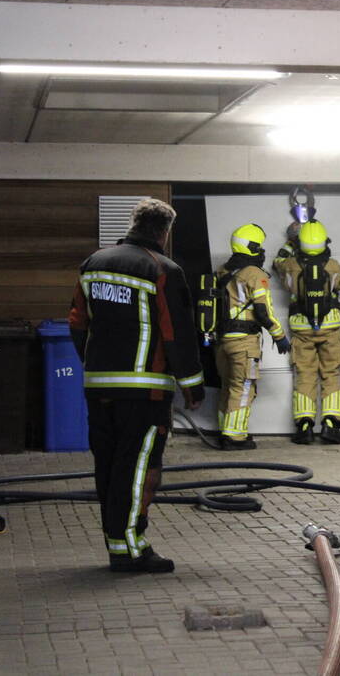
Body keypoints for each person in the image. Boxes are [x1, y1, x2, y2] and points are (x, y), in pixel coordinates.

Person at [69, 198, 203, 573]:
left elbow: (78, 323)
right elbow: (176, 334)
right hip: (144, 392)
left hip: (99, 386)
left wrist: (93, 364)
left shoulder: (93, 264)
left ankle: (119, 544)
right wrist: (192, 386)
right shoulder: (163, 269)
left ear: (133, 224)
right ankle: (130, 550)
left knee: (109, 466)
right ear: (164, 231)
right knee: (139, 467)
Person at [214, 223, 290, 450]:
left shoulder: (222, 271)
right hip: (244, 342)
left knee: (228, 386)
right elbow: (263, 310)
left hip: (222, 341)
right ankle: (235, 437)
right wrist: (279, 335)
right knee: (244, 386)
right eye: (259, 246)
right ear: (252, 247)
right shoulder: (255, 274)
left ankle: (224, 430)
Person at [273, 220, 340, 444]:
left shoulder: (290, 265)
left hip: (301, 327)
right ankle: (330, 425)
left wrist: (289, 243)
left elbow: (276, 262)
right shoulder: (333, 265)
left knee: (305, 375)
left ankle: (304, 426)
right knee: (332, 374)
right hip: (330, 326)